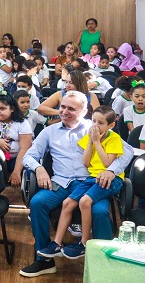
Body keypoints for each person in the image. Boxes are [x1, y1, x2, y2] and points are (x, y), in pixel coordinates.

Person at [20, 91, 133, 277]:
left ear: (84, 111)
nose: (64, 111)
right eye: (62, 107)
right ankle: (44, 260)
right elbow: (28, 156)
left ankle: (102, 264)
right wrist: (39, 168)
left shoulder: (96, 126)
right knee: (38, 203)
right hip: (61, 182)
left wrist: (111, 170)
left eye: (71, 108)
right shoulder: (49, 131)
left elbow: (127, 151)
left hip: (91, 183)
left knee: (100, 211)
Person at [36, 106, 125, 261]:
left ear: (111, 125)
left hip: (111, 179)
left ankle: (84, 243)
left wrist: (97, 142)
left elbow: (107, 163)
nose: (95, 126)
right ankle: (56, 243)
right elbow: (86, 162)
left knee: (84, 201)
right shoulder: (90, 137)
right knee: (68, 203)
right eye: (94, 121)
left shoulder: (114, 138)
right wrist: (91, 141)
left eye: (101, 123)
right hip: (92, 178)